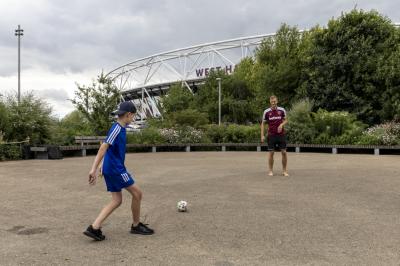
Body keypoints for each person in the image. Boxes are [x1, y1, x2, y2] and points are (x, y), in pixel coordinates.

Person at [83, 101, 154, 241]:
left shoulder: (119, 128)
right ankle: (136, 225)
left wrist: (103, 165)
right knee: (137, 193)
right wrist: (94, 169)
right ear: (128, 115)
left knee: (117, 200)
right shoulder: (116, 128)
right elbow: (103, 147)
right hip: (116, 169)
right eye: (133, 116)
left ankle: (94, 227)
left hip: (111, 167)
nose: (133, 119)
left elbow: (109, 149)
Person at [260, 95, 289, 177]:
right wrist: (262, 135)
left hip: (281, 135)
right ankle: (270, 171)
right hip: (271, 135)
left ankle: (284, 171)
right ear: (270, 102)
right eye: (272, 102)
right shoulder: (266, 112)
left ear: (277, 101)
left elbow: (286, 120)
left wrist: (281, 125)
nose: (273, 103)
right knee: (271, 152)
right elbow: (263, 124)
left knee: (284, 152)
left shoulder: (282, 110)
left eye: (275, 101)